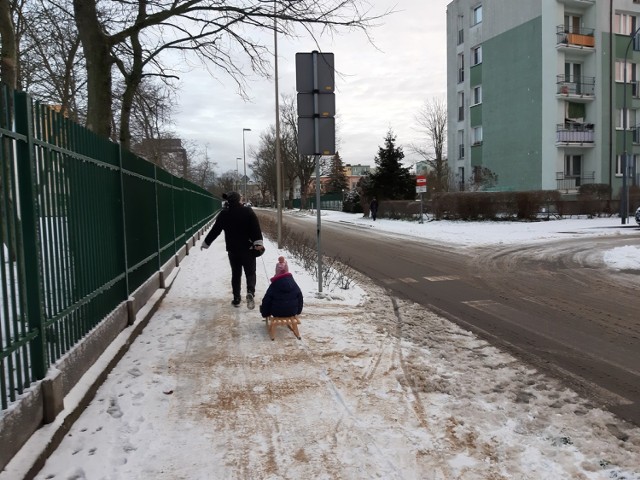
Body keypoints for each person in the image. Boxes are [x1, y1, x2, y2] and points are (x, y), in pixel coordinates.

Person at [201, 191, 264, 309]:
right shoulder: (248, 211)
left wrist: (206, 243)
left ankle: (236, 298)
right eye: (241, 198)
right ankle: (250, 291)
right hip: (248, 249)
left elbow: (215, 230)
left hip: (233, 250)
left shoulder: (224, 214)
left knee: (236, 274)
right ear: (238, 200)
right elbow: (256, 229)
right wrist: (258, 243)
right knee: (250, 273)